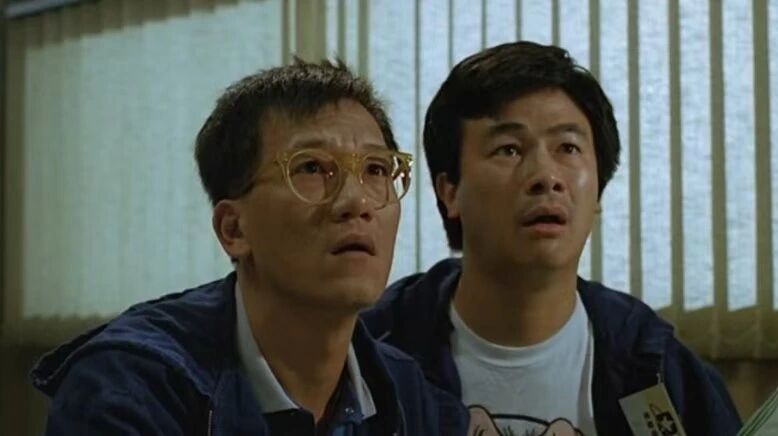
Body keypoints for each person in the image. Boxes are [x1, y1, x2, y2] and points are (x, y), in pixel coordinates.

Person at [361, 41, 778, 436]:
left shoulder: (653, 364)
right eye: (509, 150)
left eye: (568, 148)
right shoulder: (374, 352)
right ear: (449, 190)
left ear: (599, 190)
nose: (546, 176)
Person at [30, 59, 465, 435]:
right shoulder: (134, 385)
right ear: (233, 229)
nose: (357, 202)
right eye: (312, 168)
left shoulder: (405, 390)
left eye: (376, 170)